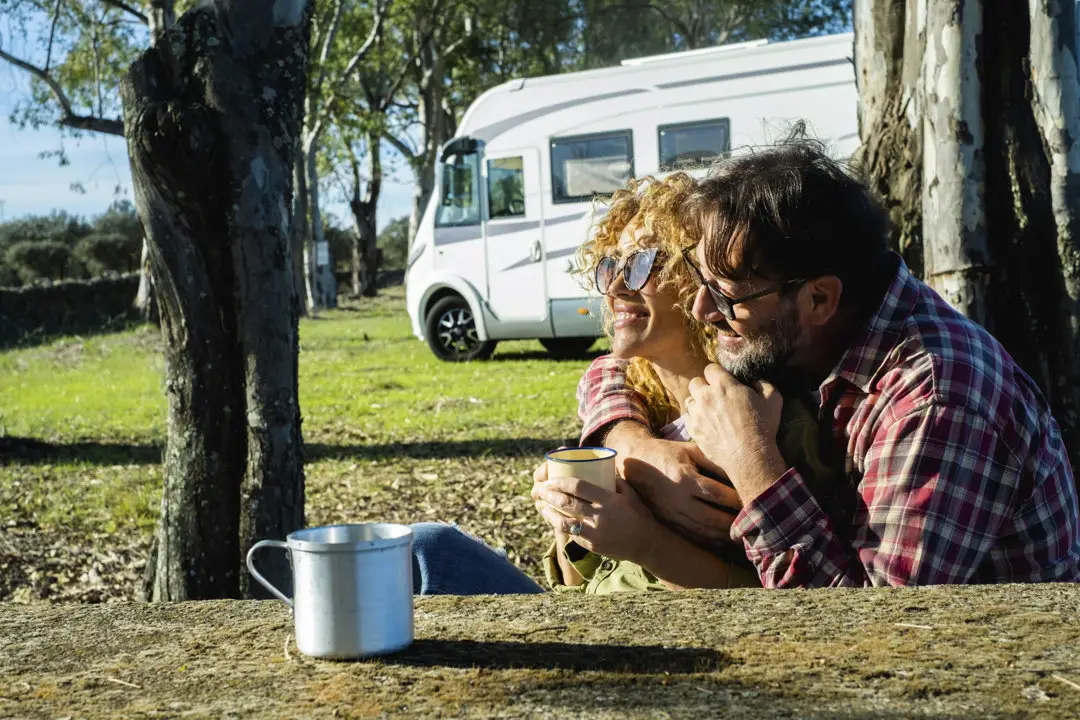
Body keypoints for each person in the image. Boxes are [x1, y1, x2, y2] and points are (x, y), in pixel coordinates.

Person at [574, 133, 1080, 588]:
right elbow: (615, 368)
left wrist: (751, 459)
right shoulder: (800, 327)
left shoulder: (937, 399)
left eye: (724, 294)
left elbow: (878, 624)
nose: (702, 310)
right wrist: (632, 444)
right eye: (699, 281)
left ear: (819, 299)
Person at [412, 173, 838, 594]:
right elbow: (578, 583)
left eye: (640, 265)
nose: (615, 287)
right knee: (426, 547)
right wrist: (569, 515)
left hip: (669, 635)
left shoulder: (763, 424)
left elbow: (778, 601)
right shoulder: (636, 406)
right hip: (581, 618)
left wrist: (645, 544)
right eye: (611, 265)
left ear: (698, 277)